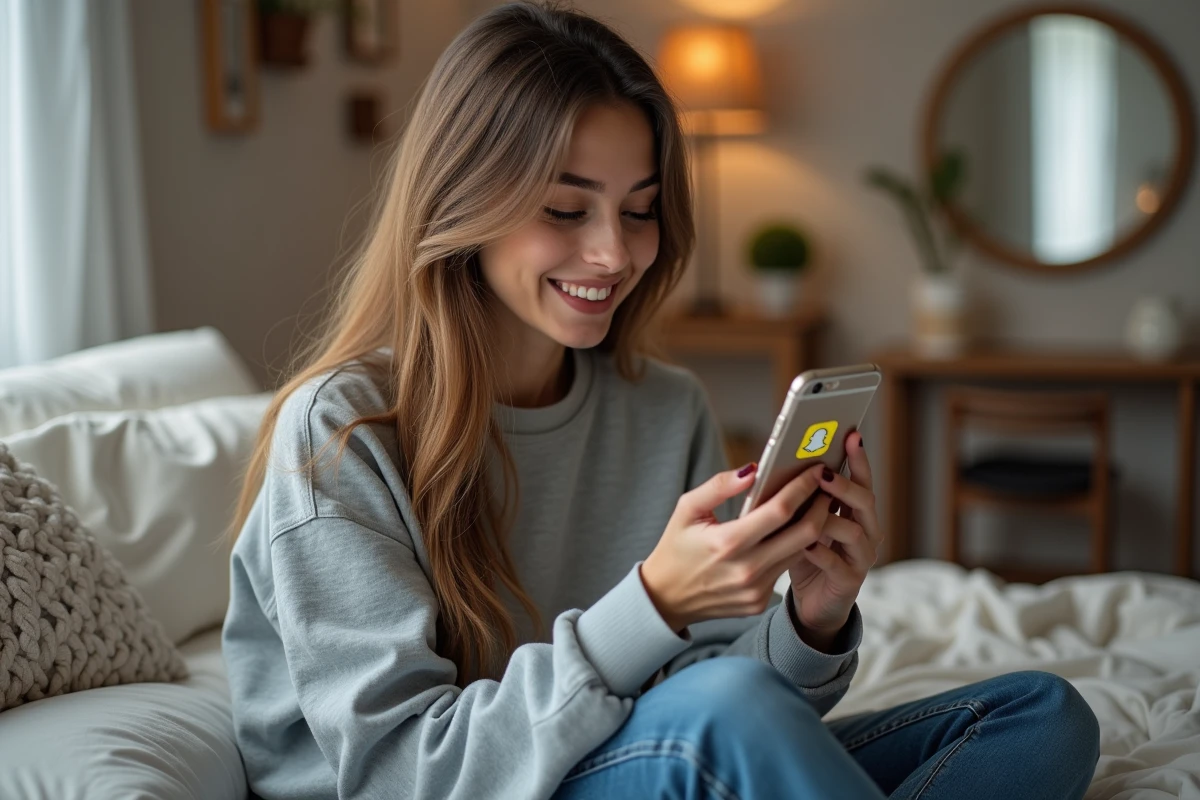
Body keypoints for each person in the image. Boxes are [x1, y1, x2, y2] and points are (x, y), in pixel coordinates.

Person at [220, 2, 1101, 798]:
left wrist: (811, 617)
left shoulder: (664, 406)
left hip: (645, 758)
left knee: (1040, 717)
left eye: (638, 211)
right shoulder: (340, 433)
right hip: (475, 785)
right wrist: (652, 604)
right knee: (725, 711)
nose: (613, 253)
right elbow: (397, 771)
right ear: (464, 204)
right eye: (566, 210)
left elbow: (732, 687)